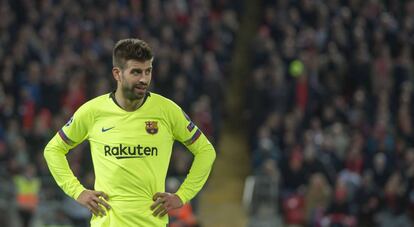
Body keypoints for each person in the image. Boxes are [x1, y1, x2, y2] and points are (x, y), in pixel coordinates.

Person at [44, 38, 216, 227]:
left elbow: (206, 151)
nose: (144, 79)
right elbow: (53, 150)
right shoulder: (92, 111)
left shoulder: (167, 111)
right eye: (136, 72)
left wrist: (182, 195)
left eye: (148, 71)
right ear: (117, 74)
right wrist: (78, 192)